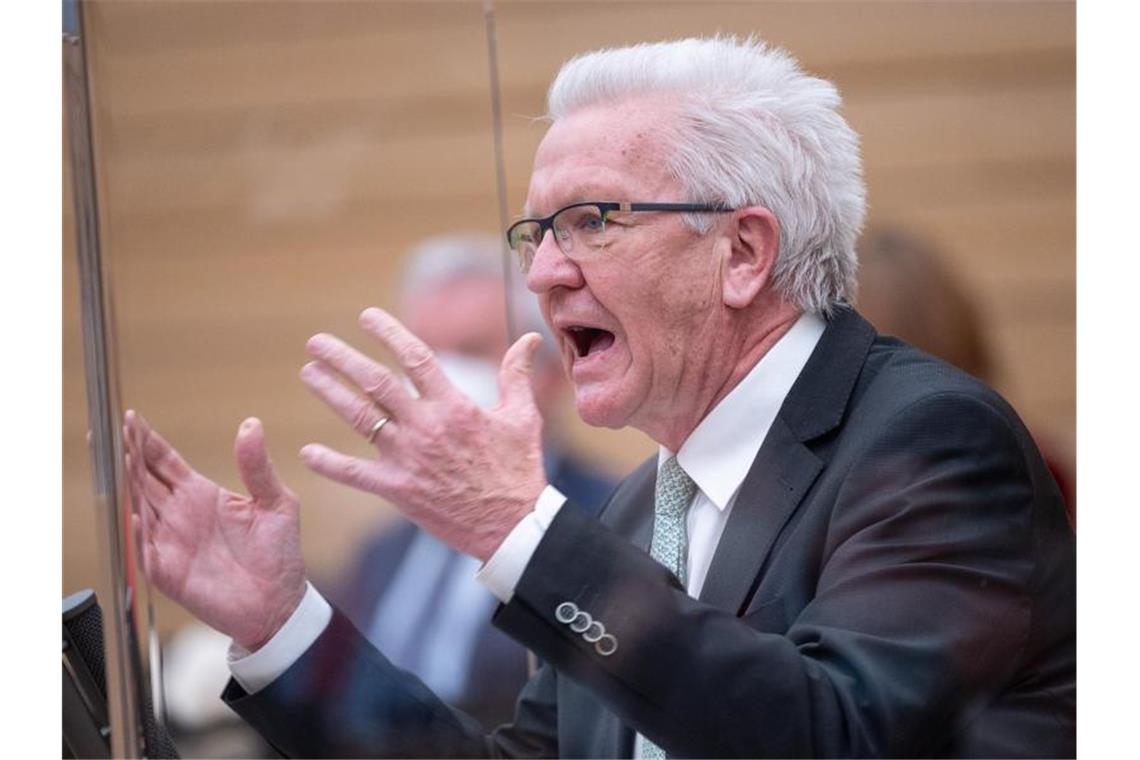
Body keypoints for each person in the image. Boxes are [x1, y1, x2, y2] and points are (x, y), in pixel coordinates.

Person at [125, 36, 1075, 757]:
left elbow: (830, 734)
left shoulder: (931, 441)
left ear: (744, 252)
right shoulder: (640, 510)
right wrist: (278, 623)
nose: (542, 273)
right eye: (535, 232)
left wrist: (517, 529)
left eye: (589, 221)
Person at [331, 234, 615, 729]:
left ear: (545, 371)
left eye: (469, 350)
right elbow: (340, 716)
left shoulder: (615, 520)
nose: (440, 377)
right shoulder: (381, 554)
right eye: (422, 355)